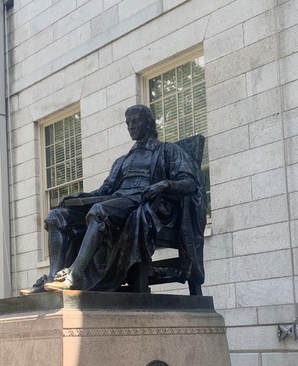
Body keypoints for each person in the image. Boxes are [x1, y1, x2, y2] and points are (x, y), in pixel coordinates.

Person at [21, 104, 206, 293]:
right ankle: (52, 279)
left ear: (149, 123)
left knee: (99, 211)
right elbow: (105, 190)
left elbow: (190, 183)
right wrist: (81, 196)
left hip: (145, 203)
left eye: (135, 121)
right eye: (128, 123)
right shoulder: (122, 160)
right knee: (57, 216)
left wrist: (164, 184)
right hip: (118, 202)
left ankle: (74, 275)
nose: (131, 126)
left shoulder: (167, 150)